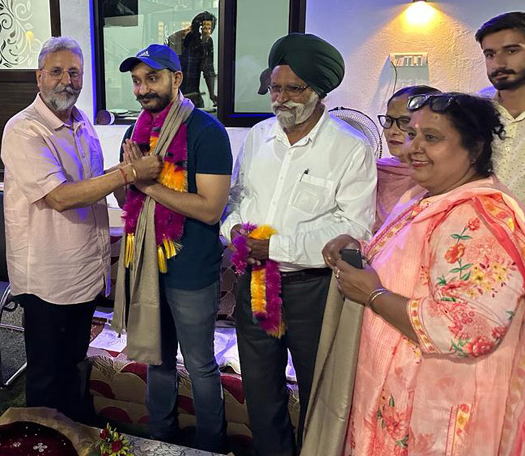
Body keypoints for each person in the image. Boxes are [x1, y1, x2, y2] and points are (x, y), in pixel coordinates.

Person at [323, 93, 525, 455]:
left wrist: (373, 296)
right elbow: (405, 263)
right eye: (412, 134)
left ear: (474, 148)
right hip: (396, 393)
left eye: (431, 137)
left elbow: (467, 331)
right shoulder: (424, 196)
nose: (414, 146)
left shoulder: (478, 219)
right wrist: (357, 245)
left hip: (439, 408)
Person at [220, 33, 376, 456]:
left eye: (294, 88)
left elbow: (354, 228)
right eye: (275, 88)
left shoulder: (350, 147)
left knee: (316, 388)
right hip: (257, 282)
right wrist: (234, 230)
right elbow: (237, 196)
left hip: (314, 289)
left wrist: (276, 247)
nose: (281, 98)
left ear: (319, 90)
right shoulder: (258, 137)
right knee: (259, 385)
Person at [1, 37, 161, 422]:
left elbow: (89, 183)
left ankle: (74, 434)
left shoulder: (81, 122)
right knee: (46, 373)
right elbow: (59, 196)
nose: (66, 80)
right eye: (56, 71)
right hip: (47, 278)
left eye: (74, 72)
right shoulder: (24, 129)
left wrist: (128, 174)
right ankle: (40, 441)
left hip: (83, 272)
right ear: (39, 77)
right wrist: (129, 173)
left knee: (75, 362)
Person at [113, 43, 232, 452]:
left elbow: (210, 209)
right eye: (137, 81)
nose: (143, 89)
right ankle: (160, 437)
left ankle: (210, 444)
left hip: (191, 269)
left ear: (177, 79)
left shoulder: (207, 132)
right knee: (156, 359)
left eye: (153, 78)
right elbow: (124, 201)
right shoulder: (134, 132)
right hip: (145, 264)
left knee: (200, 365)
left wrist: (147, 183)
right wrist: (130, 179)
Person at [374, 85, 440, 232]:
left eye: (404, 122)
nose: (392, 131)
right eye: (389, 120)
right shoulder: (375, 171)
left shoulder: (438, 181)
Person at [476, 12, 525, 201]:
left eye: (511, 51)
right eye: (490, 54)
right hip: (479, 225)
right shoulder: (476, 109)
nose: (498, 63)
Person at [167, 12, 218, 108]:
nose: (207, 32)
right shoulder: (204, 41)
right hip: (189, 96)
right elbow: (208, 69)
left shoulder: (175, 37)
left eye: (209, 28)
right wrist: (211, 94)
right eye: (205, 28)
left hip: (175, 96)